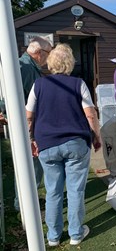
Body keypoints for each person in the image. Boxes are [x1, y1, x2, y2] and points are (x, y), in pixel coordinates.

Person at [25, 43, 102, 247]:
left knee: (53, 191)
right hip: (76, 142)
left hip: (47, 144)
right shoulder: (79, 84)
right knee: (76, 190)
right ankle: (76, 234)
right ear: (70, 63)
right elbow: (90, 114)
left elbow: (29, 116)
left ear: (50, 62)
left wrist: (31, 139)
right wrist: (96, 137)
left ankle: (53, 236)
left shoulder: (38, 85)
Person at [14, 36, 53, 211]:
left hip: (30, 123)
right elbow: (31, 101)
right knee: (32, 164)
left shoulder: (28, 66)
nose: (49, 57)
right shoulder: (27, 69)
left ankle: (28, 201)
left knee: (32, 164)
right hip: (29, 125)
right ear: (39, 53)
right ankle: (25, 205)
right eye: (49, 53)